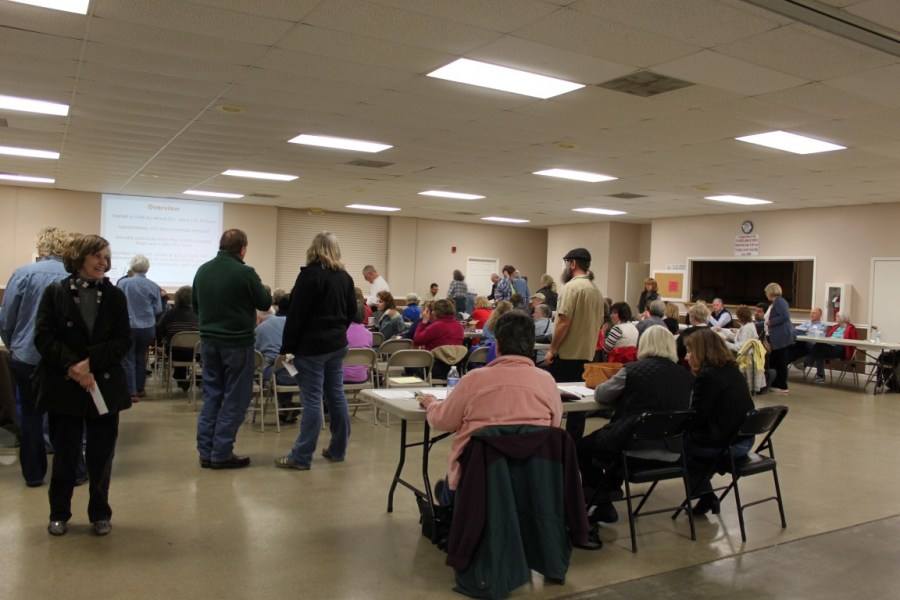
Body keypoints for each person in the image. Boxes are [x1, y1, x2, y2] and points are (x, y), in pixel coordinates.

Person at [34, 234, 132, 537]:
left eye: (106, 256)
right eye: (97, 256)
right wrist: (73, 367)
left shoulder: (115, 296)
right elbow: (43, 337)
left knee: (102, 456)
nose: (104, 262)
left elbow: (122, 341)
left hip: (104, 386)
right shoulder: (55, 293)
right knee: (65, 455)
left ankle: (100, 513)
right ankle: (59, 514)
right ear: (79, 258)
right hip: (65, 387)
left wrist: (91, 363)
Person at [418, 310, 562, 506]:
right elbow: (554, 425)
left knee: (448, 486)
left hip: (476, 481)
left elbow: (443, 421)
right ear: (531, 345)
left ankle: (450, 500)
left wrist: (431, 404)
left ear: (497, 345)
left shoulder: (473, 379)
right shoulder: (547, 381)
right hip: (530, 480)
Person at [576, 326, 693, 524]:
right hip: (672, 451)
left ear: (643, 344)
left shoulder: (632, 370)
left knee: (583, 446)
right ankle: (608, 492)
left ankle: (602, 498)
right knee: (615, 440)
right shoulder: (687, 377)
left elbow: (601, 394)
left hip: (632, 450)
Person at [277, 231, 357, 470]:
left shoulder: (309, 276)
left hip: (311, 348)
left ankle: (301, 457)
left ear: (314, 249)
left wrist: (287, 348)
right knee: (336, 395)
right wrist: (337, 331)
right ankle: (338, 449)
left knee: (311, 400)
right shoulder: (345, 277)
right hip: (337, 345)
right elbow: (352, 312)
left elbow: (296, 315)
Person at [193, 229, 272, 469]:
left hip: (209, 342)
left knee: (212, 395)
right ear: (243, 249)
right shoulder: (245, 273)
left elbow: (196, 306)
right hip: (237, 343)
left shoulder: (203, 270)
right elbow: (264, 302)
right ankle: (221, 452)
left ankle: (206, 451)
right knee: (235, 398)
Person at [0, 226, 70, 487]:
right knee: (65, 416)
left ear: (41, 246)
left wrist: (14, 345)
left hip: (27, 356)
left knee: (30, 414)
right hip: (64, 359)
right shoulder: (75, 276)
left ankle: (33, 473)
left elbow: (7, 318)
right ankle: (69, 470)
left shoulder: (23, 273)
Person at [683, 328, 755, 516]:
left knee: (679, 445)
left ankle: (705, 494)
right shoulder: (733, 371)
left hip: (727, 444)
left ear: (701, 352)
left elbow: (696, 417)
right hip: (745, 439)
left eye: (690, 352)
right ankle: (704, 491)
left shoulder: (707, 377)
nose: (686, 357)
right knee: (695, 452)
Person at [545, 248, 603, 440]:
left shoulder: (571, 288)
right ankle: (573, 443)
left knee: (554, 401)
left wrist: (552, 349)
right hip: (587, 355)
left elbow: (563, 322)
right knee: (579, 405)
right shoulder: (595, 290)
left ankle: (552, 440)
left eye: (566, 263)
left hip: (567, 355)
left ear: (573, 264)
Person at [117, 254, 163, 401]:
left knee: (128, 358)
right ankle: (140, 388)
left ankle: (131, 391)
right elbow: (158, 309)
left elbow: (116, 304)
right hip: (147, 327)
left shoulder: (123, 283)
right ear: (147, 269)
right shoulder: (153, 286)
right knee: (141, 356)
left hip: (128, 325)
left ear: (132, 267)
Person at [255, 293, 297, 423]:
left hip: (277, 373)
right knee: (287, 365)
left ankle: (286, 407)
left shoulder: (261, 328)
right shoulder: (295, 325)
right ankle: (286, 407)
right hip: (301, 374)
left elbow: (255, 354)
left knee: (271, 369)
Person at [156, 285, 199, 391]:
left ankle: (180, 376)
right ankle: (197, 377)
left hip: (175, 352)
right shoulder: (199, 314)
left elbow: (159, 331)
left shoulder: (169, 314)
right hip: (195, 352)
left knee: (177, 346)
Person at [413, 298, 465, 379]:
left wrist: (424, 322)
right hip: (455, 369)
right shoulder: (459, 326)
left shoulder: (435, 326)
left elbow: (417, 341)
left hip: (434, 369)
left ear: (436, 312)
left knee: (410, 366)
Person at [806, 311, 857, 384]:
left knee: (819, 346)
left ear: (843, 318)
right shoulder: (835, 327)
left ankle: (806, 363)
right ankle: (820, 377)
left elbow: (853, 343)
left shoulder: (850, 328)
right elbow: (827, 336)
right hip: (831, 347)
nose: (836, 317)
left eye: (838, 316)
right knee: (819, 351)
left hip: (841, 349)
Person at [764, 282, 794, 394]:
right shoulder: (775, 303)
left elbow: (785, 316)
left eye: (767, 292)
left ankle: (782, 385)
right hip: (776, 336)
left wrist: (771, 322)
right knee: (775, 360)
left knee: (780, 361)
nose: (766, 294)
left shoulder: (780, 301)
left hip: (782, 336)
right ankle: (776, 384)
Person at [344, 305, 374, 383]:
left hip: (340, 376)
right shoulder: (369, 334)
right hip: (361, 377)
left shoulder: (341, 332)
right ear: (363, 316)